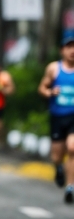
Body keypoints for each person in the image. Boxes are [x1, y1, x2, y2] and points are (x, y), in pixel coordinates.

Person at [38, 36, 74, 203]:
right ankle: (59, 168)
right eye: (69, 47)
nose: (72, 51)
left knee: (72, 148)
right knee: (57, 155)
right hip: (58, 117)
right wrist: (50, 92)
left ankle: (70, 186)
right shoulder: (54, 69)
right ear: (62, 50)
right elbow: (42, 88)